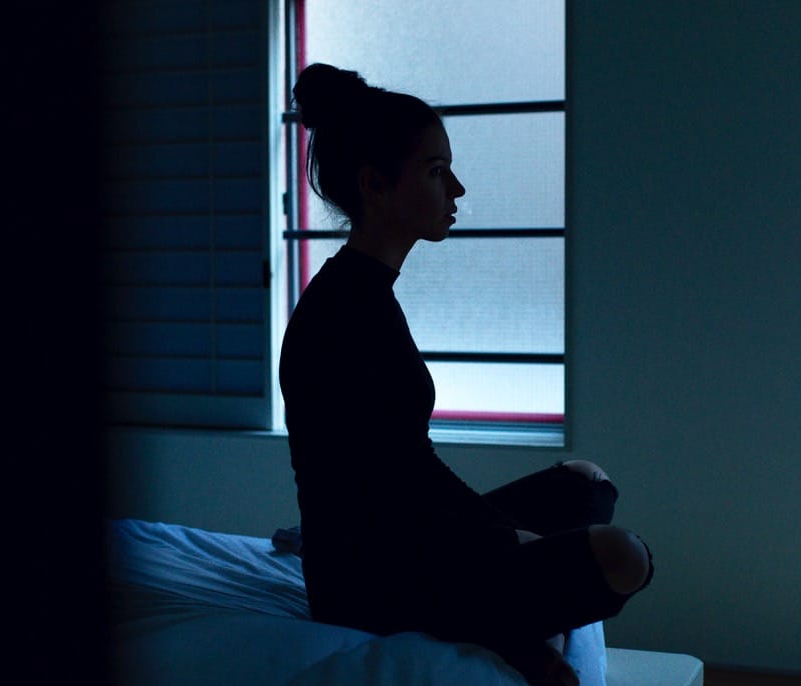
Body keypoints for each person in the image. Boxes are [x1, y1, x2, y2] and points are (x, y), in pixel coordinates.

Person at [279, 63, 653, 686]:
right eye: (435, 171)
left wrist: (502, 536)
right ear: (375, 185)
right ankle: (508, 633)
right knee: (624, 557)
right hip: (369, 578)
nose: (456, 188)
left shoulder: (365, 291)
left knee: (585, 484)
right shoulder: (342, 313)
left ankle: (507, 625)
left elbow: (409, 476)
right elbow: (395, 488)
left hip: (410, 537)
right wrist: (503, 540)